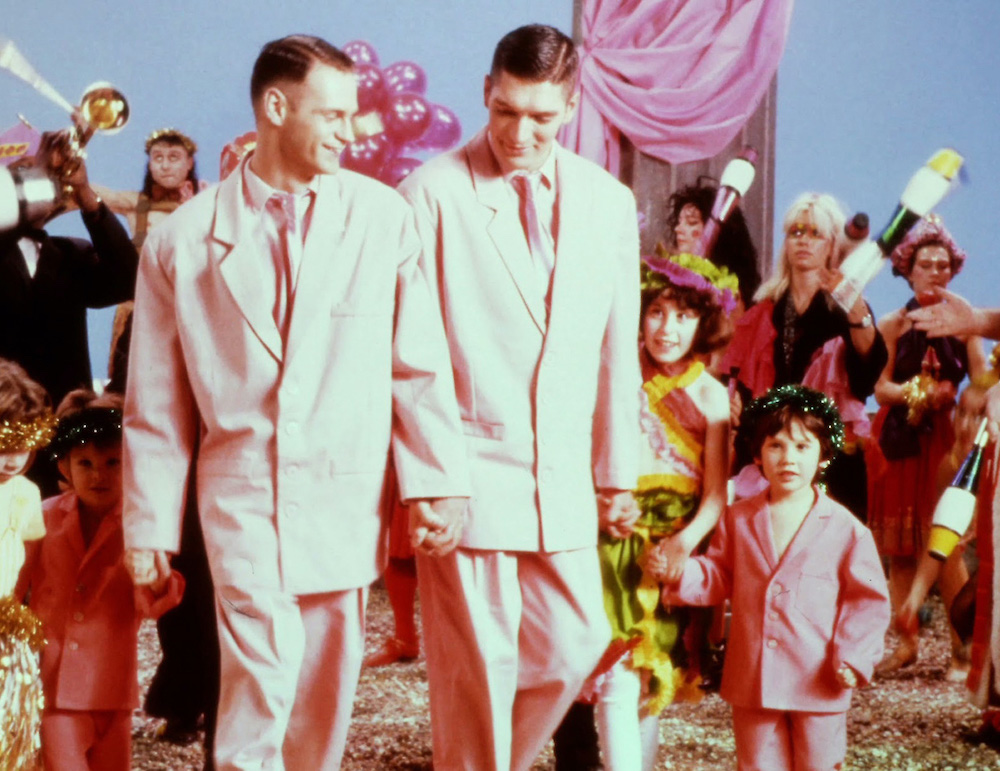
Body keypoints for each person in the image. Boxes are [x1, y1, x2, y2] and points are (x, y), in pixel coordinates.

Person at [120, 35, 470, 771]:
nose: (351, 131)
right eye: (334, 115)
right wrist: (148, 523)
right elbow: (155, 403)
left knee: (318, 709)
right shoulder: (182, 241)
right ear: (276, 107)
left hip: (344, 502)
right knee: (257, 690)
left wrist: (436, 480)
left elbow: (419, 364)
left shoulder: (383, 219)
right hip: (240, 501)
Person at [399, 24, 642, 770]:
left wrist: (617, 473)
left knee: (573, 644)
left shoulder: (608, 201)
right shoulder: (430, 192)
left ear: (570, 107)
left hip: (562, 477)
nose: (519, 132)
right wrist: (428, 480)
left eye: (540, 116)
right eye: (506, 111)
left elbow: (614, 350)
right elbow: (411, 354)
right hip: (463, 474)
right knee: (477, 673)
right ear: (486, 93)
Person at [659, 385, 890, 771]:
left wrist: (854, 655)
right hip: (754, 680)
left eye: (802, 447)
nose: (788, 459)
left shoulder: (847, 530)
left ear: (823, 455)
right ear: (757, 454)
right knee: (757, 765)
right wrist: (679, 573)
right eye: (775, 446)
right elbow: (719, 574)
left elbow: (866, 602)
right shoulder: (738, 519)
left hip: (820, 679)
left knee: (819, 765)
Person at [593, 252, 733, 770]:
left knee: (654, 677)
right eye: (656, 312)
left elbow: (716, 494)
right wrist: (603, 505)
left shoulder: (712, 396)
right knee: (616, 668)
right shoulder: (616, 377)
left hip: (670, 548)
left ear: (704, 323)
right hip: (614, 540)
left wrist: (682, 544)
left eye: (683, 316)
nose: (667, 328)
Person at [19, 389, 184, 771]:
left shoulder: (142, 527)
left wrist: (159, 580)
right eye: (85, 463)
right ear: (64, 466)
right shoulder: (42, 517)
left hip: (112, 687)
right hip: (53, 686)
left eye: (113, 462)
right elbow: (12, 582)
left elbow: (153, 602)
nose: (99, 475)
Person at [866, 215, 986, 675]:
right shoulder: (894, 324)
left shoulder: (965, 325)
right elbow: (879, 386)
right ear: (908, 270)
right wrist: (915, 393)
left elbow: (981, 381)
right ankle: (906, 642)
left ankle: (962, 648)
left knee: (947, 544)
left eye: (942, 265)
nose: (934, 272)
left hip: (944, 439)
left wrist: (958, 398)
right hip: (898, 438)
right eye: (925, 264)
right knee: (900, 550)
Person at [722, 193, 888, 518]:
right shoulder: (762, 310)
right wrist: (733, 404)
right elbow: (741, 387)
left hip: (830, 460)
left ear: (832, 246)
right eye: (796, 232)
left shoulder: (847, 308)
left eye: (815, 234)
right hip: (770, 456)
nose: (804, 241)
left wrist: (857, 312)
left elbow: (866, 379)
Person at [0, 132, 138, 494]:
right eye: (21, 173)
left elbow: (126, 279)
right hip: (5, 424)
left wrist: (86, 195)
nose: (39, 181)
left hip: (64, 420)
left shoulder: (71, 252)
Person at [0, 359, 56, 770]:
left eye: (22, 447)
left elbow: (29, 557)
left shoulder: (26, 493)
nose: (13, 460)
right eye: (3, 447)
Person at [665, 181, 761, 307]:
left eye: (691, 222)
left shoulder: (729, 294)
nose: (678, 229)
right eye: (679, 222)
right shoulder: (667, 278)